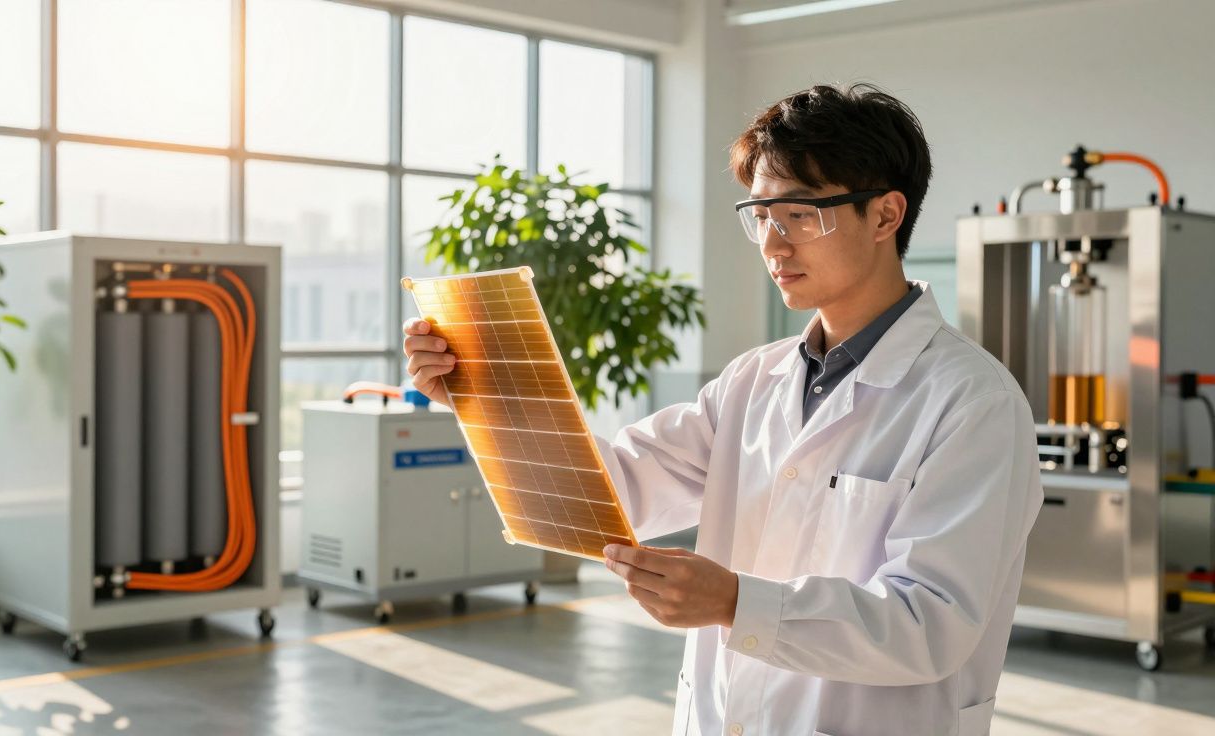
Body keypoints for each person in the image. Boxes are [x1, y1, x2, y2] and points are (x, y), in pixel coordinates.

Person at [403, 83, 1042, 736]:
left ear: (884, 216)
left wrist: (738, 603)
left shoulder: (972, 403)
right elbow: (616, 492)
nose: (773, 243)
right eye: (761, 214)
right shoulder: (752, 382)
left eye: (799, 214)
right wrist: (484, 390)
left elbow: (930, 626)